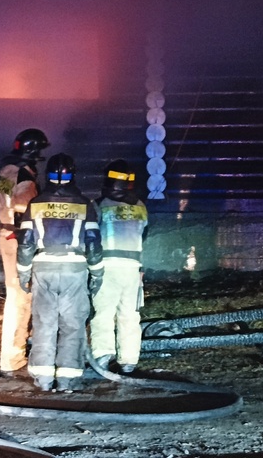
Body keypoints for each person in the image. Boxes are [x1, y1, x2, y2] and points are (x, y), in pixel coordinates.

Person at [16, 153, 103, 391]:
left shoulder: (35, 204)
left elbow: (25, 243)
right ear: (74, 175)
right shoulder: (85, 204)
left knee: (44, 323)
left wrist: (23, 273)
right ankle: (67, 379)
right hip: (75, 269)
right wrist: (97, 274)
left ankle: (43, 380)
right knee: (73, 324)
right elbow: (94, 243)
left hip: (43, 268)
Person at [0, 127, 48, 374]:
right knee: (21, 296)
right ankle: (13, 359)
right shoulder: (24, 175)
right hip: (20, 237)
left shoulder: (6, 171)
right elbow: (28, 209)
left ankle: (14, 355)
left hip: (7, 234)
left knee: (17, 294)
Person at [89, 158, 149, 374]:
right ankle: (129, 361)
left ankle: (103, 357)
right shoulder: (140, 206)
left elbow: (91, 237)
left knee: (103, 313)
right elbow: (144, 234)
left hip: (106, 267)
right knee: (130, 315)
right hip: (133, 269)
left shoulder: (99, 205)